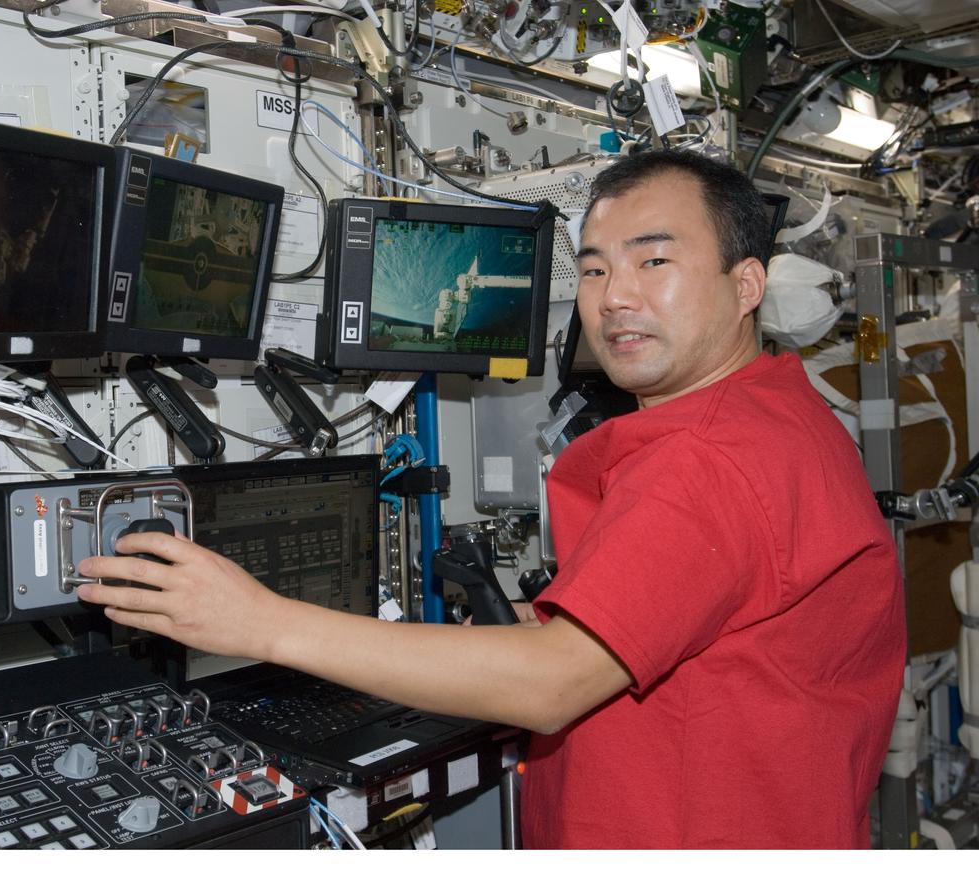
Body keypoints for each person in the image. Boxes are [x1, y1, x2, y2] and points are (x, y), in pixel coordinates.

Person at [76, 150, 906, 848]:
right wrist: (538, 634)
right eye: (593, 269)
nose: (614, 296)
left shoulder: (711, 456)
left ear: (747, 283)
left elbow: (552, 687)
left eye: (655, 261)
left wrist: (256, 621)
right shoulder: (777, 412)